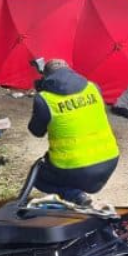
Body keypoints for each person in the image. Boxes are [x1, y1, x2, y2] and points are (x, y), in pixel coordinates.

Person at [27, 59, 119, 205]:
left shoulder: (45, 99)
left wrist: (41, 96)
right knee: (65, 170)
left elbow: (36, 131)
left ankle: (74, 195)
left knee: (37, 176)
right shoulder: (93, 87)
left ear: (47, 77)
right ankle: (76, 193)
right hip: (110, 161)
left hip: (75, 168)